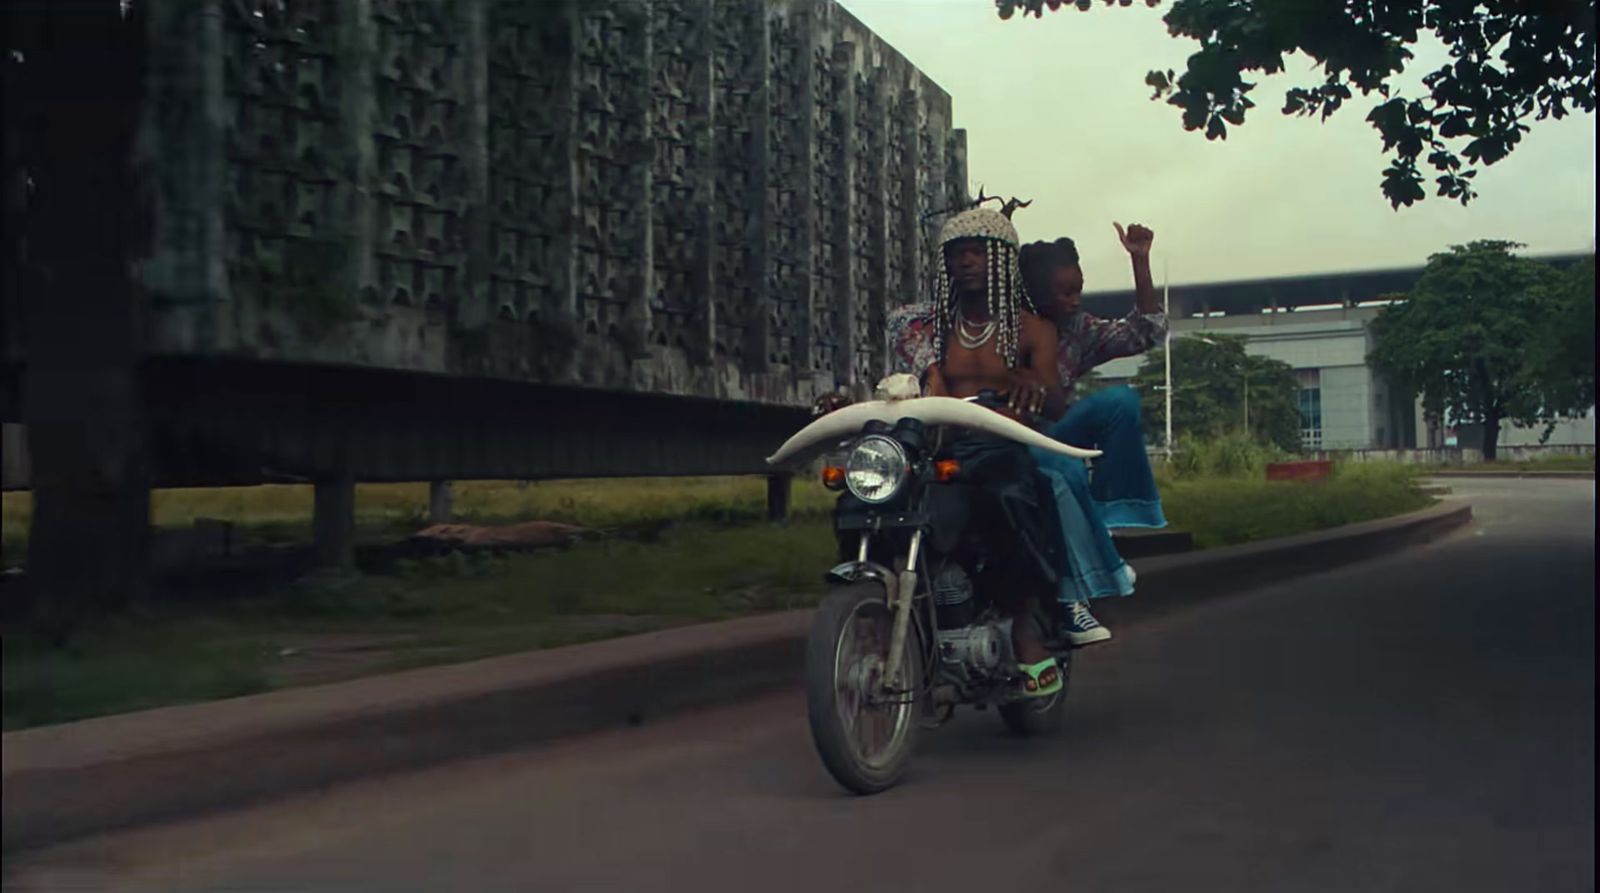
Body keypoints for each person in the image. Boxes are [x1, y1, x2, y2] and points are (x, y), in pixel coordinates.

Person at [1019, 224, 1170, 645]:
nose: (1074, 300)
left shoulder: (1078, 329)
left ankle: (1106, 524)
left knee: (1119, 403)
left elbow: (1145, 334)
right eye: (1063, 292)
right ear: (1032, 291)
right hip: (996, 435)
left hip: (1049, 437)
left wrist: (1139, 260)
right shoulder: (1004, 323)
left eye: (1078, 289)